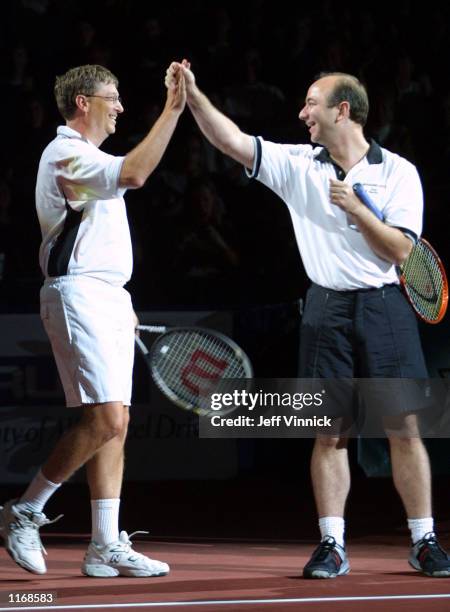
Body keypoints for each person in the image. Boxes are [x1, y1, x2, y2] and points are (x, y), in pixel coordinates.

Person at [166, 60, 450, 579]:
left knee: (404, 430)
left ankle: (424, 539)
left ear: (343, 110)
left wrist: (359, 211)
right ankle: (331, 544)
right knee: (329, 433)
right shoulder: (298, 164)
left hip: (386, 307)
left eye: (311, 104)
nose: (302, 114)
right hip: (326, 309)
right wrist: (194, 97)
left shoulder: (398, 172)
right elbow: (232, 141)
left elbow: (402, 253)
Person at [0, 62, 186, 577]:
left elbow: (100, 237)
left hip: (105, 294)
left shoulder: (89, 157)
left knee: (115, 426)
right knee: (106, 418)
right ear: (83, 102)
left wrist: (121, 301)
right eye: (114, 95)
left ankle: (104, 544)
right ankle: (24, 510)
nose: (121, 106)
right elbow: (137, 173)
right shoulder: (65, 154)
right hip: (76, 293)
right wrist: (173, 109)